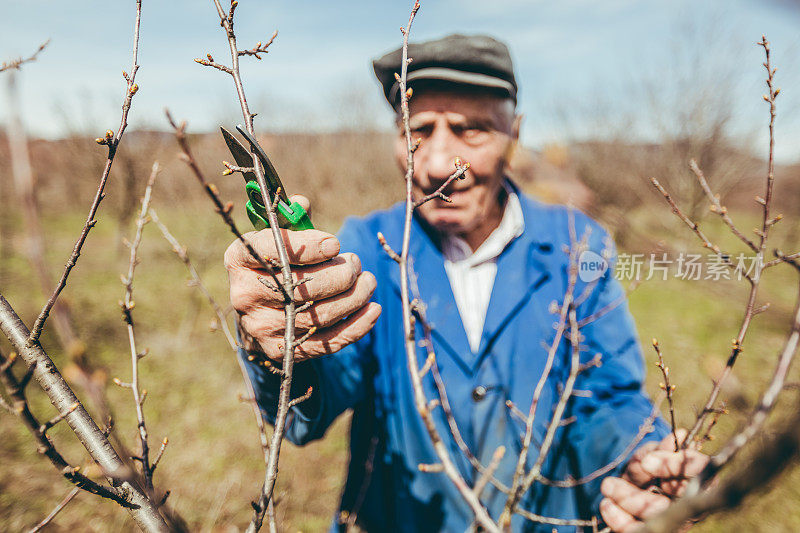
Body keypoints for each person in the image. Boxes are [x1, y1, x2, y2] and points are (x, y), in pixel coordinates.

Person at [225, 34, 707, 532]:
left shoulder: (578, 245)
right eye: (417, 131)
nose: (436, 165)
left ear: (514, 134)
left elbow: (607, 395)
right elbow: (309, 410)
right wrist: (279, 343)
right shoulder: (369, 246)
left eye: (470, 130)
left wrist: (640, 460)